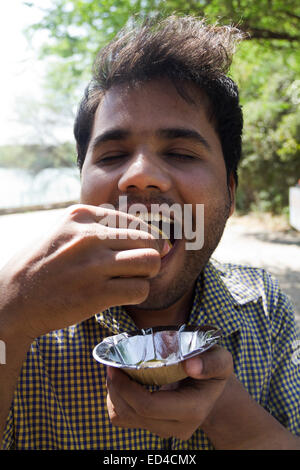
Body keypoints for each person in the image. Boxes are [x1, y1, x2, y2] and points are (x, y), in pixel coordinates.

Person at [0, 15, 299, 450]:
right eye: (113, 154)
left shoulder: (265, 307)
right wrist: (7, 317)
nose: (139, 177)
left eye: (180, 152)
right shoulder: (25, 324)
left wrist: (223, 413)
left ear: (230, 194)